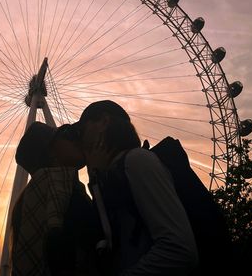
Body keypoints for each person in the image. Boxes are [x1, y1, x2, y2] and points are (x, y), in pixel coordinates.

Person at [70, 100, 199, 276]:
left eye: (81, 130)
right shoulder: (110, 176)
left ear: (104, 122)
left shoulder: (137, 161)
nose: (81, 139)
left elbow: (179, 248)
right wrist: (95, 180)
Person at [11, 121, 102, 276]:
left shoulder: (39, 198)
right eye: (67, 135)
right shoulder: (55, 189)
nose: (76, 140)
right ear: (51, 153)